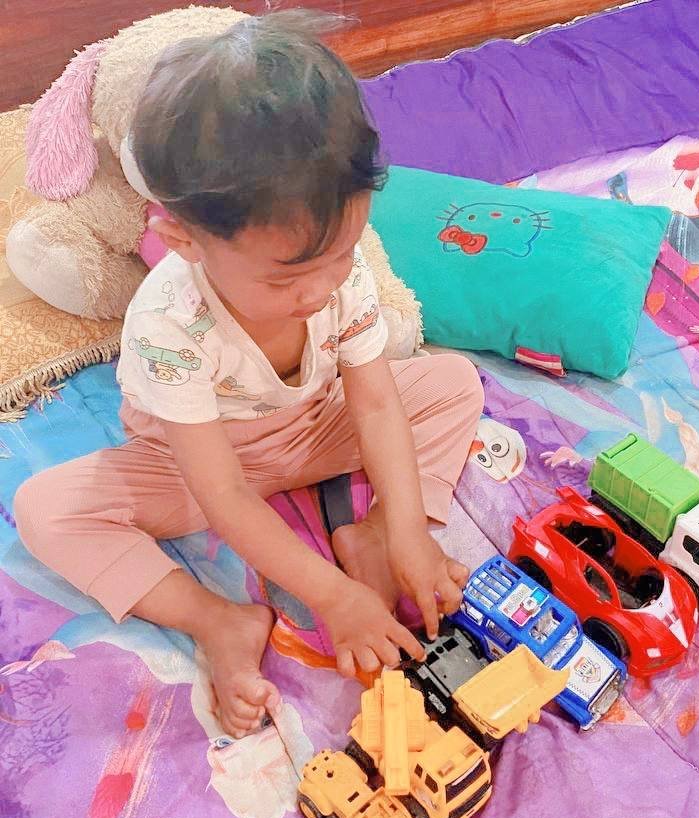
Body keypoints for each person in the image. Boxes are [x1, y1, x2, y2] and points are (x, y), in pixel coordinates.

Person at [13, 11, 484, 738]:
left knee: (451, 383)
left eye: (343, 253)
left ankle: (373, 536)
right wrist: (331, 597)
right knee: (46, 510)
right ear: (183, 237)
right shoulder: (170, 324)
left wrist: (408, 531)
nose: (323, 288)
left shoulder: (336, 271)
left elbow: (381, 408)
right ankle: (217, 621)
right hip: (197, 467)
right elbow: (225, 496)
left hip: (318, 428)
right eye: (289, 277)